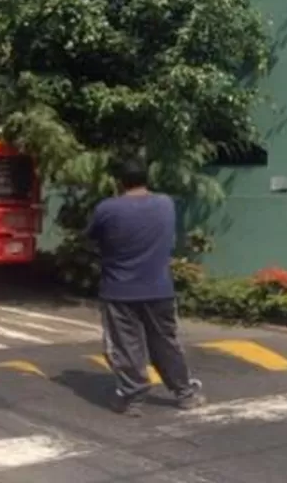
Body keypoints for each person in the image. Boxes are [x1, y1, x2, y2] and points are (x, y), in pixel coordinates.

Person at [84, 158, 206, 417]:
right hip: (159, 288)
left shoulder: (107, 209)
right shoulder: (165, 204)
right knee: (166, 342)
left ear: (119, 182)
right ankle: (184, 393)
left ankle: (132, 398)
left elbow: (92, 239)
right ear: (146, 178)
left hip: (119, 290)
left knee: (125, 345)